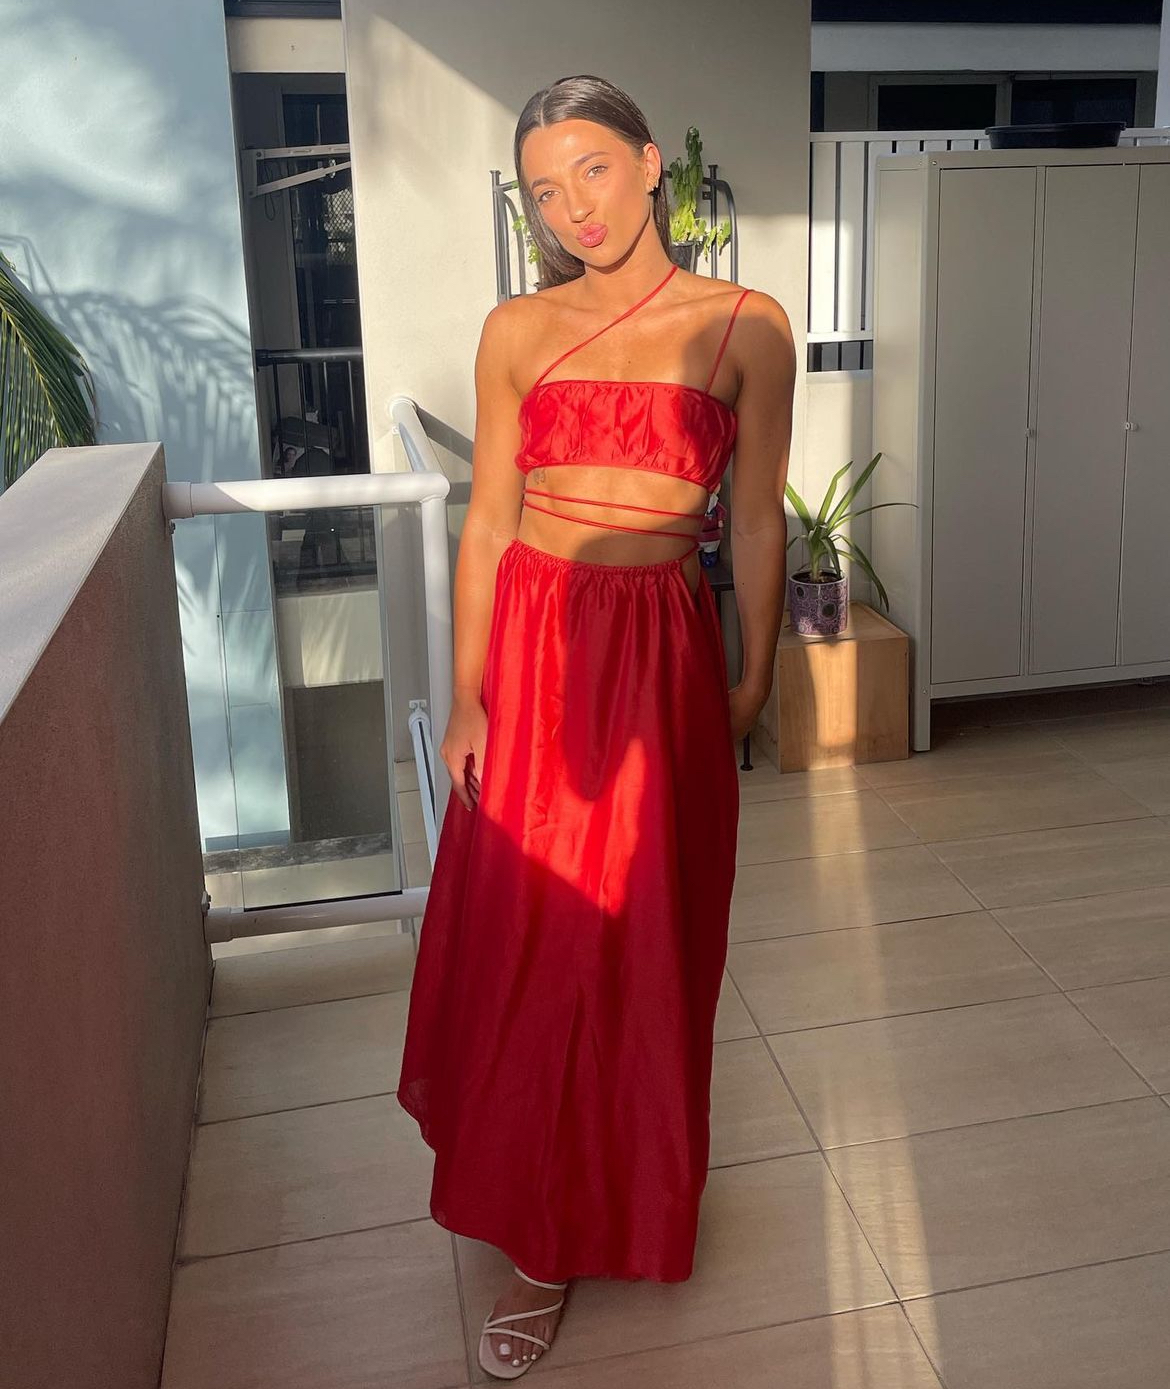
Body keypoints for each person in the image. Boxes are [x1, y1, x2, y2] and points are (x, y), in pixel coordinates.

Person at [395, 74, 794, 1380]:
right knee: (541, 946)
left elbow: (757, 518)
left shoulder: (747, 328)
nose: (572, 207)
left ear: (650, 164)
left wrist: (755, 675)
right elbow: (488, 524)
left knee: (646, 948)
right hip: (536, 652)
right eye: (543, 190)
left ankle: (623, 1191)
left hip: (661, 658)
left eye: (593, 171)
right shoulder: (516, 329)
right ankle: (540, 1237)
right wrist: (467, 693)